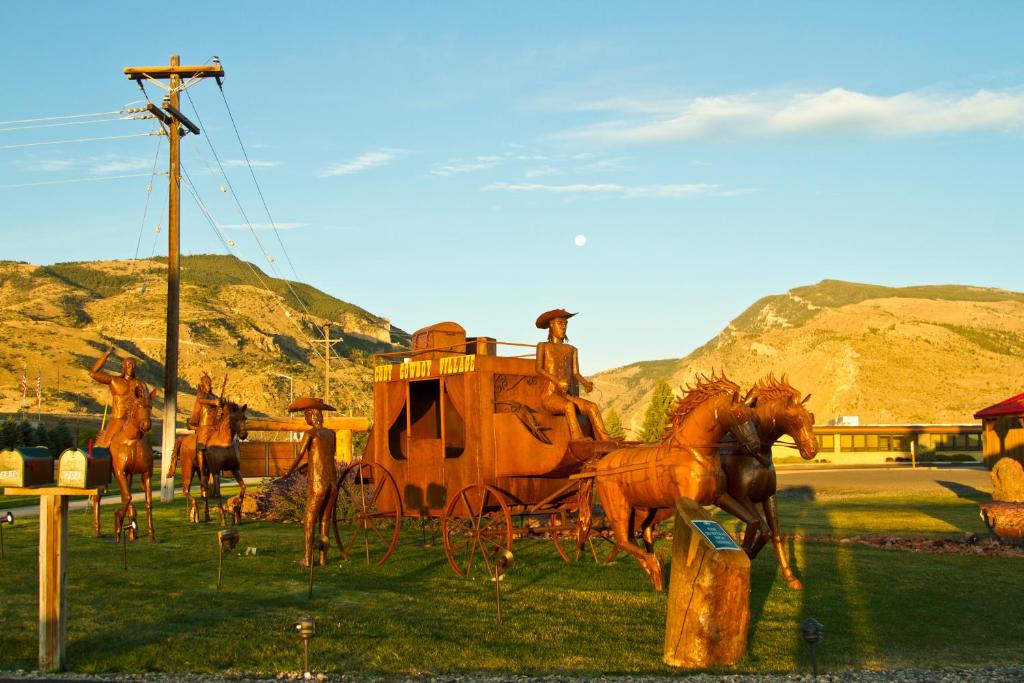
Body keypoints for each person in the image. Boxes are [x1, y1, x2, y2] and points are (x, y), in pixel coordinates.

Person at [534, 309, 610, 441]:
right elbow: (538, 368)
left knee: (591, 407)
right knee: (569, 406)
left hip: (566, 396)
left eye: (565, 324)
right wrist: (557, 382)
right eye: (559, 323)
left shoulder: (571, 349)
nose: (563, 326)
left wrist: (586, 383)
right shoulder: (543, 346)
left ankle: (605, 439)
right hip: (549, 396)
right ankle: (577, 438)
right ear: (551, 325)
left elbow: (576, 373)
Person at [284, 397, 339, 567]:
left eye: (305, 415)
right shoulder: (331, 434)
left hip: (318, 485)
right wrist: (307, 466)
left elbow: (300, 455)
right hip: (332, 484)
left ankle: (308, 558)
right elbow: (325, 457)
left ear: (312, 415)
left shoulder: (311, 433)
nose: (305, 419)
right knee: (324, 520)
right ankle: (323, 559)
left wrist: (289, 472)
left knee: (309, 519)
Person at [89, 346, 150, 448]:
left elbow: (146, 402)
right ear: (124, 366)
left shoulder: (139, 383)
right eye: (128, 365)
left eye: (133, 365)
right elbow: (93, 373)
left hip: (133, 421)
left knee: (144, 446)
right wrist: (106, 354)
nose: (131, 367)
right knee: (105, 445)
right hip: (118, 419)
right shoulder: (114, 381)